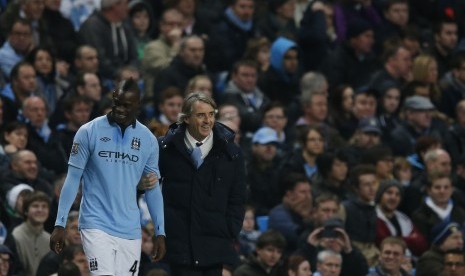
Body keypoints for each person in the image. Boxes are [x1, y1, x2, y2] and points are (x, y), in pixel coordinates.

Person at [49, 78, 166, 275]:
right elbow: (72, 179)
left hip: (130, 229)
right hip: (96, 223)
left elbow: (153, 188)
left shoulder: (148, 140)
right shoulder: (88, 131)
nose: (119, 109)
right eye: (116, 103)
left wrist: (160, 232)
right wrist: (59, 223)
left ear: (138, 105)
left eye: (126, 105)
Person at [158, 92, 246, 274]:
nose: (207, 120)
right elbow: (149, 189)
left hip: (215, 245)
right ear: (187, 119)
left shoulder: (232, 153)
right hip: (178, 246)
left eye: (211, 114)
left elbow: (238, 197)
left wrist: (230, 229)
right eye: (200, 115)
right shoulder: (165, 150)